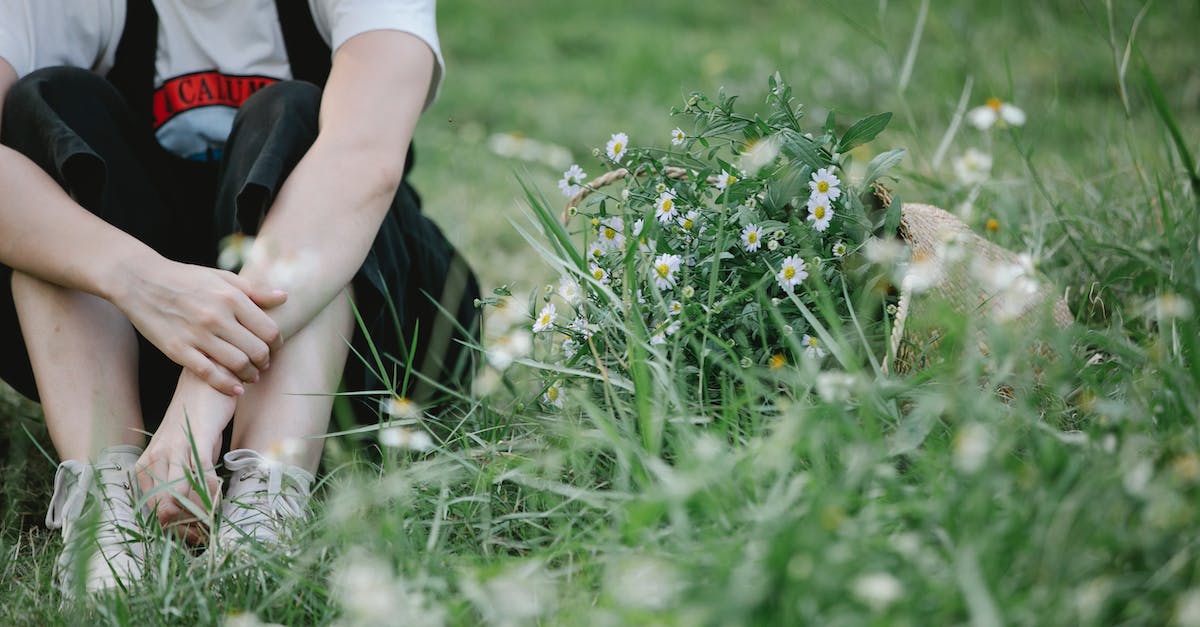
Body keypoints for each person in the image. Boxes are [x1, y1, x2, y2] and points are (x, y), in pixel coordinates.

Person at [0, 0, 478, 594]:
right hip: (141, 334)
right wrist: (141, 281)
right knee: (48, 103)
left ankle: (264, 499)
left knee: (296, 111)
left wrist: (202, 397)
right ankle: (110, 503)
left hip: (361, 330)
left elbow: (364, 162)